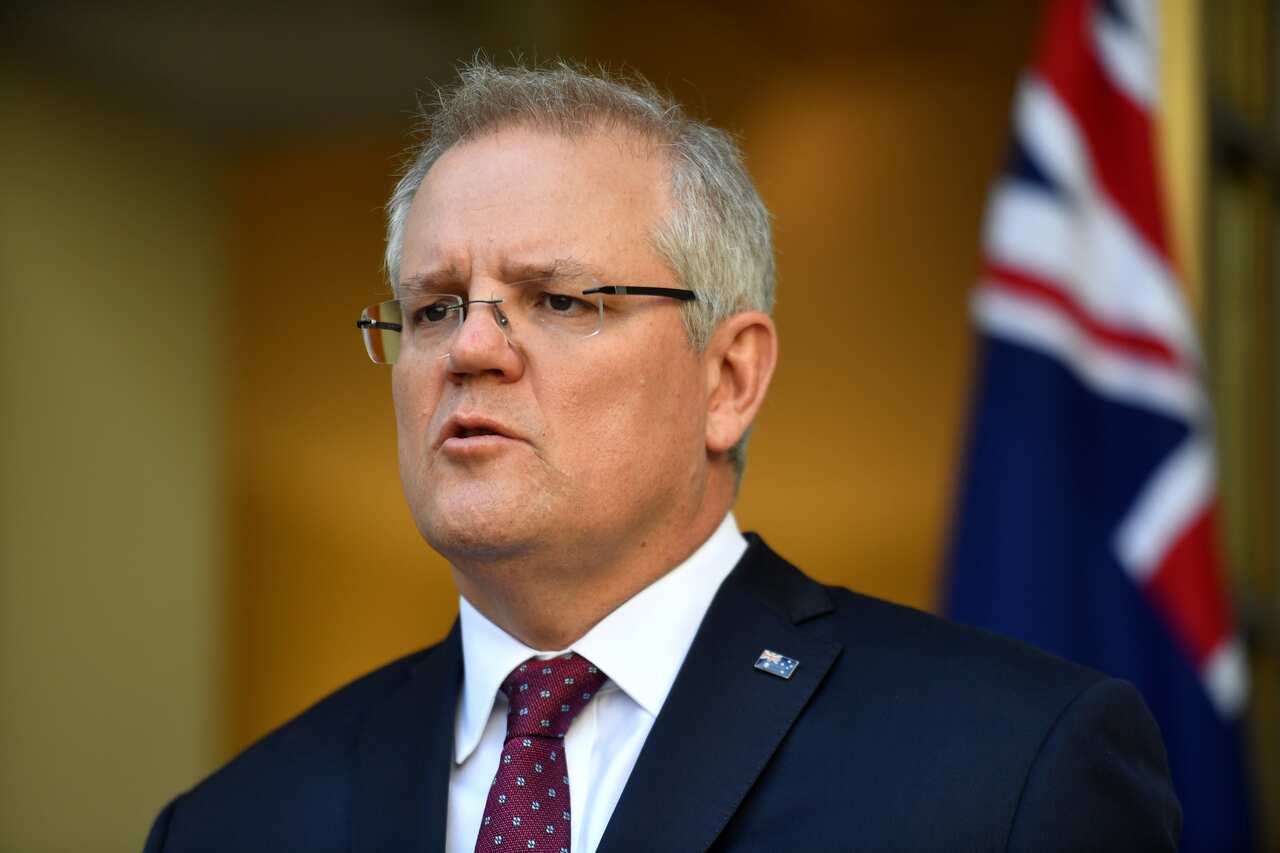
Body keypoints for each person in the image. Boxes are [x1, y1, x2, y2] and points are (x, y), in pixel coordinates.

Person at [144, 61, 1181, 853]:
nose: (468, 349)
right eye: (432, 307)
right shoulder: (235, 822)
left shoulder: (1007, 766)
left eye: (557, 298)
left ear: (728, 378)